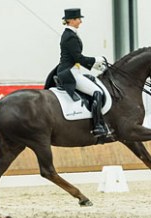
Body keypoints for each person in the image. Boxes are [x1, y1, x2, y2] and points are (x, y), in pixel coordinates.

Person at [57, 8, 113, 138]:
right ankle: (98, 126)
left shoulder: (71, 34)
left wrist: (95, 64)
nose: (80, 21)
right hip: (70, 72)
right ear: (70, 20)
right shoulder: (70, 36)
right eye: (78, 19)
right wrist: (96, 60)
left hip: (74, 70)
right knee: (97, 92)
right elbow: (78, 58)